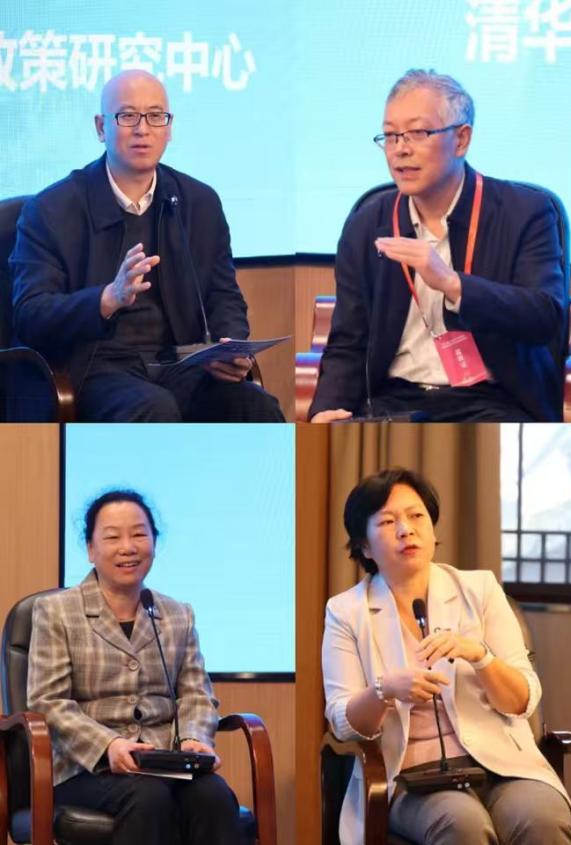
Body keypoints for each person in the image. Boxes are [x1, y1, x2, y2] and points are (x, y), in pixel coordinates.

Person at [9, 69, 283, 423]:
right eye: (127, 116)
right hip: (95, 369)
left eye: (155, 116)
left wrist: (230, 346)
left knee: (254, 405)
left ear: (169, 128)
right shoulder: (51, 209)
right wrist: (107, 299)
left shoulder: (199, 202)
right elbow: (30, 314)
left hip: (182, 363)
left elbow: (223, 294)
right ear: (100, 127)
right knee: (153, 408)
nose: (143, 129)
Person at [321, 468, 571, 845]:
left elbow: (523, 699)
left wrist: (481, 657)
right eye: (388, 522)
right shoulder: (346, 612)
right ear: (365, 547)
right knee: (462, 824)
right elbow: (343, 723)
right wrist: (385, 689)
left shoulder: (480, 589)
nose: (406, 529)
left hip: (504, 766)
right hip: (414, 778)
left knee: (542, 819)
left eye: (416, 516)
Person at [309, 70, 567, 423]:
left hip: (494, 402)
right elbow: (348, 342)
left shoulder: (525, 212)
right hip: (393, 403)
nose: (400, 149)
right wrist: (326, 410)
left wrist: (453, 284)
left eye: (418, 133)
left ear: (461, 139)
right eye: (390, 135)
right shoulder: (367, 224)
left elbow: (544, 316)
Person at [27, 490, 243, 845]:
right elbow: (47, 702)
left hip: (164, 762)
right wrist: (109, 745)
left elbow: (196, 694)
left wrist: (193, 738)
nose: (128, 547)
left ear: (154, 543)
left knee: (214, 796)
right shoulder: (57, 612)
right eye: (112, 537)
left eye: (139, 534)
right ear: (91, 549)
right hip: (84, 766)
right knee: (148, 797)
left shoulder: (178, 614)